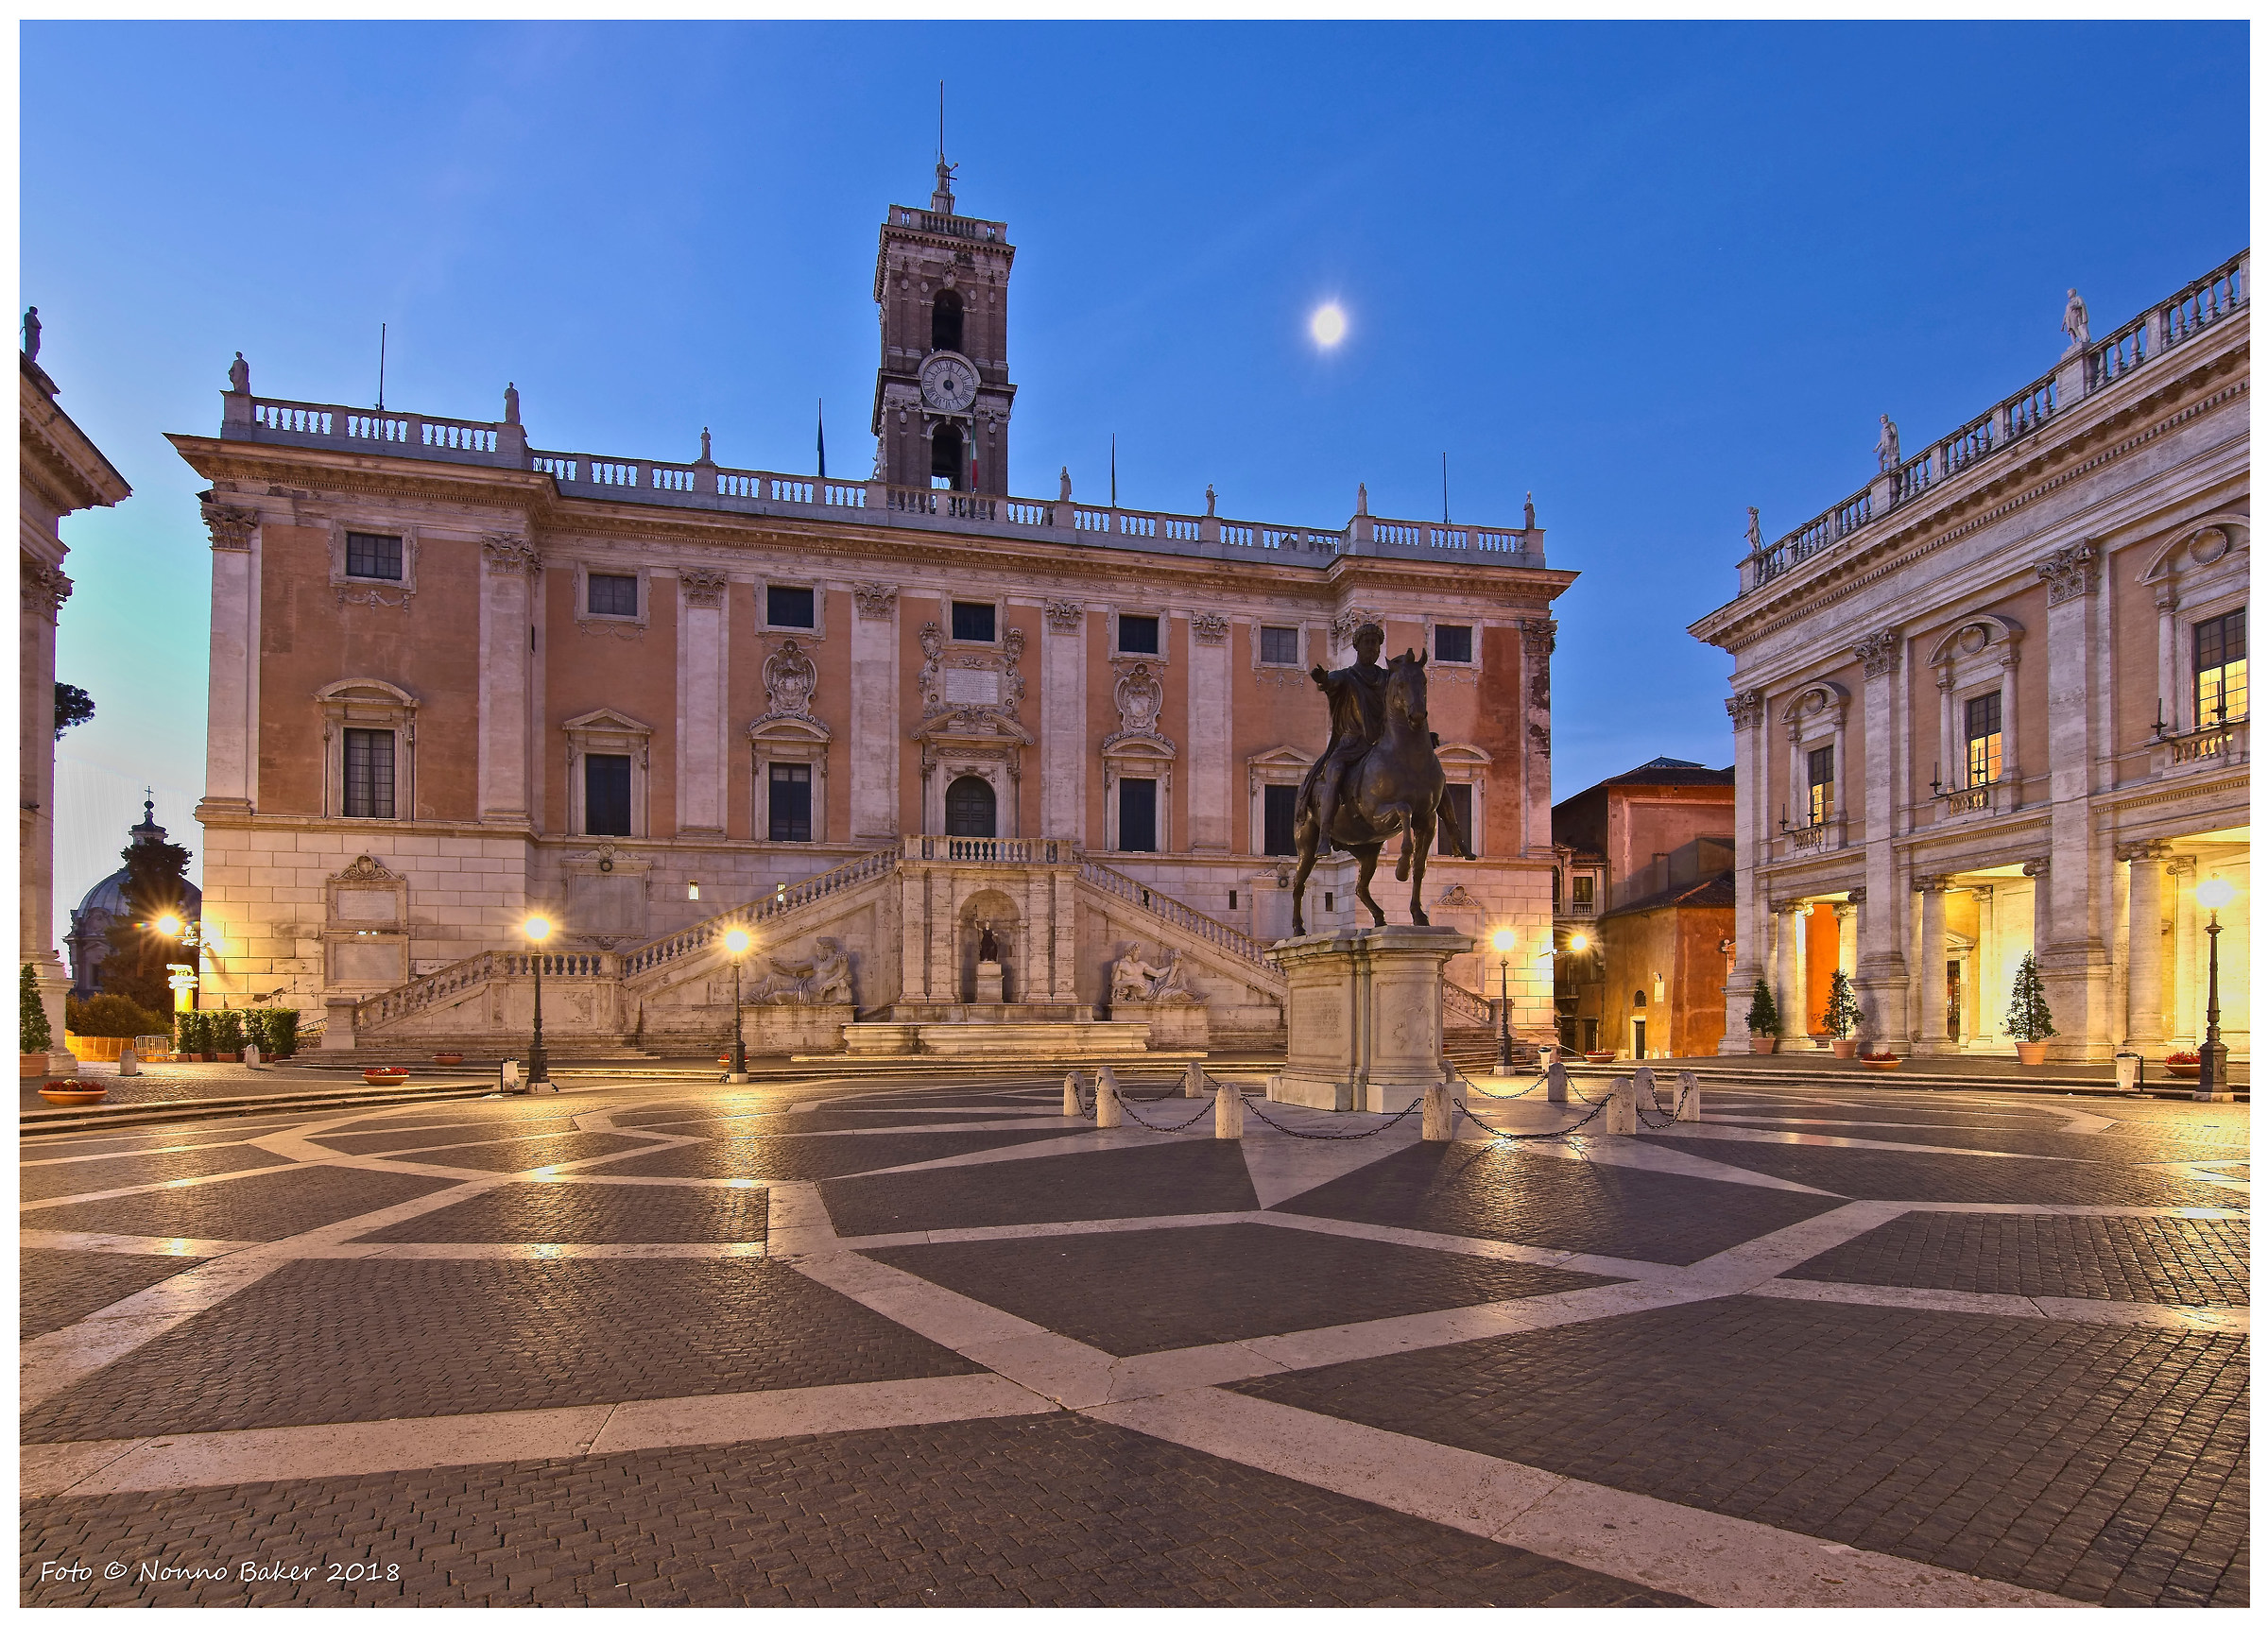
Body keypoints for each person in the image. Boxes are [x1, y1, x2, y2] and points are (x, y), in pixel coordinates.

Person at [1303, 623, 1389, 848]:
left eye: (1376, 644)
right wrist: (1323, 680)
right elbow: (1332, 683)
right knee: (1335, 773)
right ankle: (1324, 835)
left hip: (1380, 746)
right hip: (1350, 745)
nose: (1373, 648)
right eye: (1368, 643)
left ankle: (1452, 832)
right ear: (1357, 646)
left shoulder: (1387, 679)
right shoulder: (1347, 676)